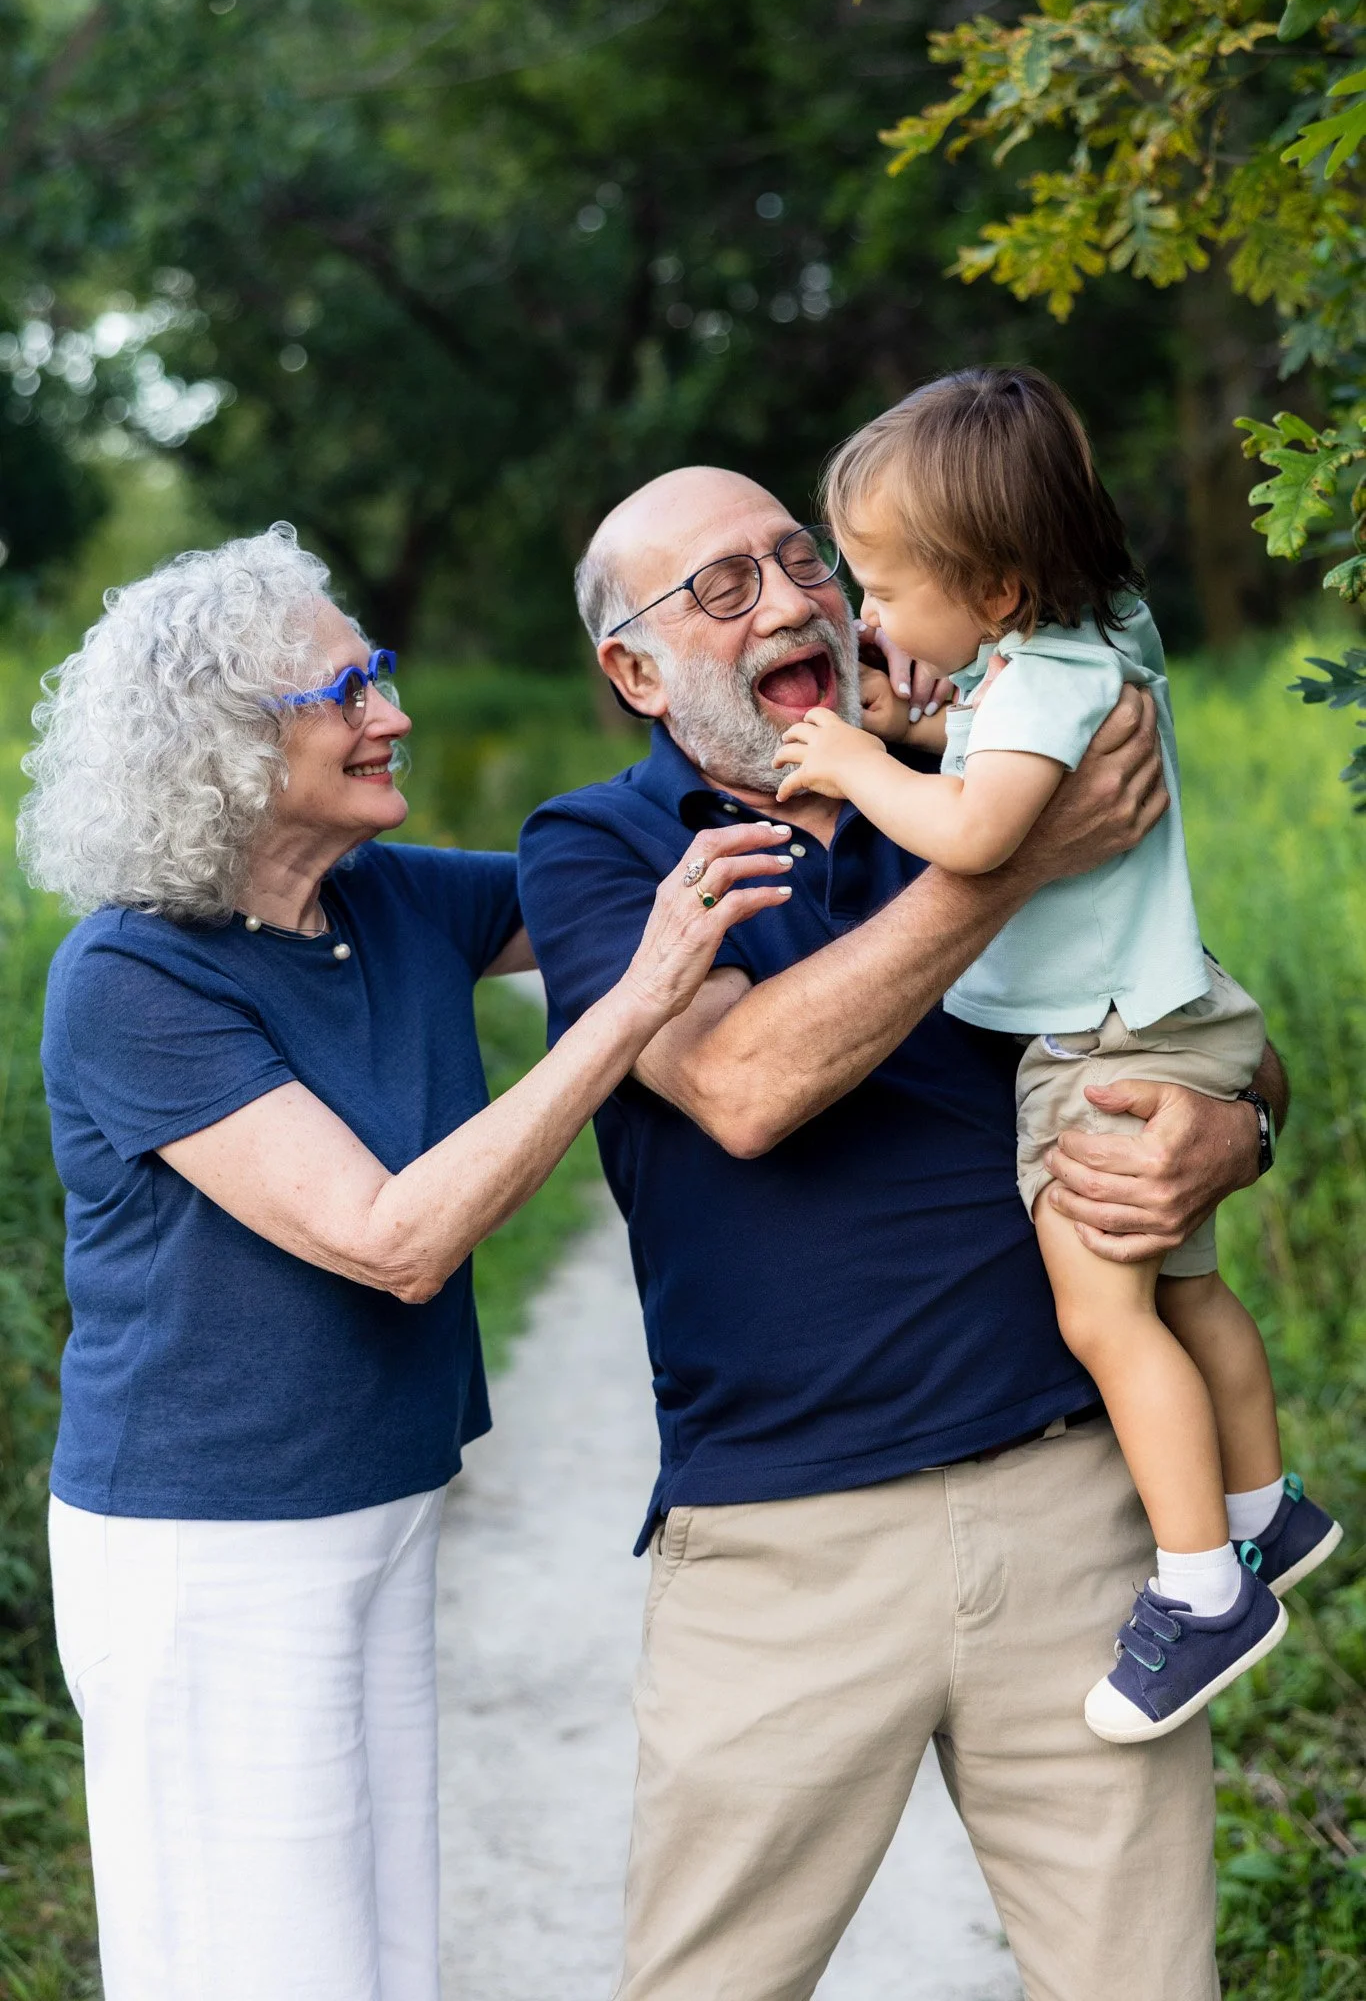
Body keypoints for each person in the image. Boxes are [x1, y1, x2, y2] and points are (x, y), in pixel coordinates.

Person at [517, 464, 1290, 2001]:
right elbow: (739, 1087)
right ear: (635, 671)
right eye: (721, 589)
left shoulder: (995, 744)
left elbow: (1203, 1025)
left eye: (798, 560)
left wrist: (1238, 1130)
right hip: (782, 1545)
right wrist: (1005, 864)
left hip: (1078, 1511)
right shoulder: (598, 852)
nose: (793, 600)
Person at [19, 522, 791, 2001]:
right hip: (213, 1550)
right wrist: (624, 1014)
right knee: (260, 1970)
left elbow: (615, 874)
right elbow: (395, 1243)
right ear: (226, 749)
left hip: (374, 1504)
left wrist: (817, 727)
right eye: (349, 688)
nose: (395, 711)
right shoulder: (129, 978)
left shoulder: (387, 898)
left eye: (377, 671)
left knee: (377, 1960)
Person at [774, 368, 1341, 1744]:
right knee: (1188, 1292)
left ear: (1002, 589)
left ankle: (1205, 1593)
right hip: (1172, 1012)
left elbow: (973, 832)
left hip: (1096, 1044)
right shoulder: (1097, 640)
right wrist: (912, 719)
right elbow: (978, 741)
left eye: (886, 588)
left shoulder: (1039, 680)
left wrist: (854, 760)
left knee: (1104, 1319)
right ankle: (1269, 1511)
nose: (865, 617)